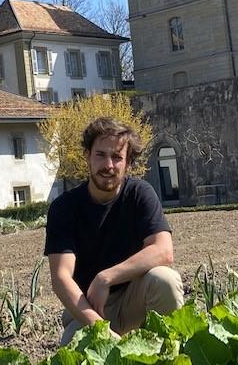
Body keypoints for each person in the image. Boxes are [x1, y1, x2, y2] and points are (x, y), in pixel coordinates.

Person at [44, 117, 184, 345]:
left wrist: (106, 278)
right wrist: (100, 329)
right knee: (73, 351)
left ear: (128, 164)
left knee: (164, 280)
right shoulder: (64, 208)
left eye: (117, 157)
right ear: (87, 156)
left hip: (133, 300)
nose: (108, 165)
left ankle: (169, 352)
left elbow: (163, 251)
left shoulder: (140, 194)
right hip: (88, 306)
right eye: (100, 154)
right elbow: (61, 278)